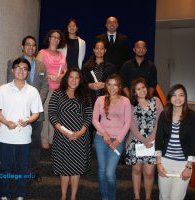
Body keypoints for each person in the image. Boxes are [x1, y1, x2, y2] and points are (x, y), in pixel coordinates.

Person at [0, 57, 43, 199]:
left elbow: (36, 113)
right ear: (13, 70)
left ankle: (20, 194)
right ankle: (3, 194)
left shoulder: (33, 91)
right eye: (18, 68)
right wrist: (6, 122)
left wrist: (28, 121)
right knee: (5, 168)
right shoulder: (2, 89)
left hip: (24, 137)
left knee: (22, 168)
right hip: (5, 137)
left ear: (28, 72)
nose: (21, 71)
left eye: (25, 69)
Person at [7, 35, 49, 181]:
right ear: (23, 47)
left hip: (36, 113)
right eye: (28, 45)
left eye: (33, 45)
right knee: (17, 143)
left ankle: (33, 171)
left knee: (35, 144)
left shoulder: (41, 65)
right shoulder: (13, 63)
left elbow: (45, 86)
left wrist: (36, 104)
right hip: (17, 113)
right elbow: (9, 85)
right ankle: (17, 171)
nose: (31, 47)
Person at [48, 68, 92, 200]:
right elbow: (51, 113)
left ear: (80, 80)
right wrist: (62, 130)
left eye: (77, 77)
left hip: (80, 137)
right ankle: (63, 195)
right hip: (62, 136)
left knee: (76, 168)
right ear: (66, 78)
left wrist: (81, 132)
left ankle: (73, 196)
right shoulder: (57, 93)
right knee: (64, 167)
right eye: (71, 77)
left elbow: (88, 115)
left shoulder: (85, 95)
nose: (73, 80)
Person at [155, 84, 195, 200]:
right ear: (169, 98)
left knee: (176, 198)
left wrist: (189, 167)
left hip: (183, 164)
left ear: (185, 98)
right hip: (165, 162)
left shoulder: (192, 116)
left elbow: (194, 143)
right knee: (164, 196)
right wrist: (158, 164)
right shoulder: (164, 115)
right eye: (174, 95)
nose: (177, 98)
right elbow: (159, 140)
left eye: (181, 95)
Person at [92, 74, 132, 200]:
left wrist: (118, 140)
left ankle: (112, 196)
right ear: (106, 85)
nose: (112, 87)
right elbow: (94, 119)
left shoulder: (125, 101)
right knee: (102, 171)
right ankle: (105, 196)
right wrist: (104, 133)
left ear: (119, 86)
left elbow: (128, 123)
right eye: (109, 84)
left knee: (109, 173)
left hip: (117, 140)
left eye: (115, 84)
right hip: (101, 138)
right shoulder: (100, 99)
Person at [125, 78, 163, 200]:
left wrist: (150, 139)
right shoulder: (130, 104)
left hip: (152, 142)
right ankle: (136, 197)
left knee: (149, 172)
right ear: (134, 92)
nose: (142, 90)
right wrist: (144, 140)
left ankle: (148, 197)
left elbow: (160, 121)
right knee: (136, 170)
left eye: (143, 87)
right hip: (136, 142)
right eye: (138, 89)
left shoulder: (156, 101)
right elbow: (131, 125)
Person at [36, 29, 67, 149]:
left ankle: (52, 138)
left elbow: (66, 71)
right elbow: (37, 70)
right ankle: (44, 139)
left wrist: (61, 76)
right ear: (49, 38)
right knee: (45, 112)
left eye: (58, 38)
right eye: (53, 37)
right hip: (46, 88)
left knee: (55, 114)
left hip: (59, 89)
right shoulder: (42, 53)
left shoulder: (61, 55)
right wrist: (49, 76)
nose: (55, 39)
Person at [81, 40, 117, 105]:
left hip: (106, 99)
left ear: (105, 50)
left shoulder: (111, 67)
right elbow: (81, 83)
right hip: (89, 100)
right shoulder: (86, 66)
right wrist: (89, 85)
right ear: (94, 50)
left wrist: (105, 85)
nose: (99, 50)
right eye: (97, 48)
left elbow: (116, 84)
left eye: (102, 49)